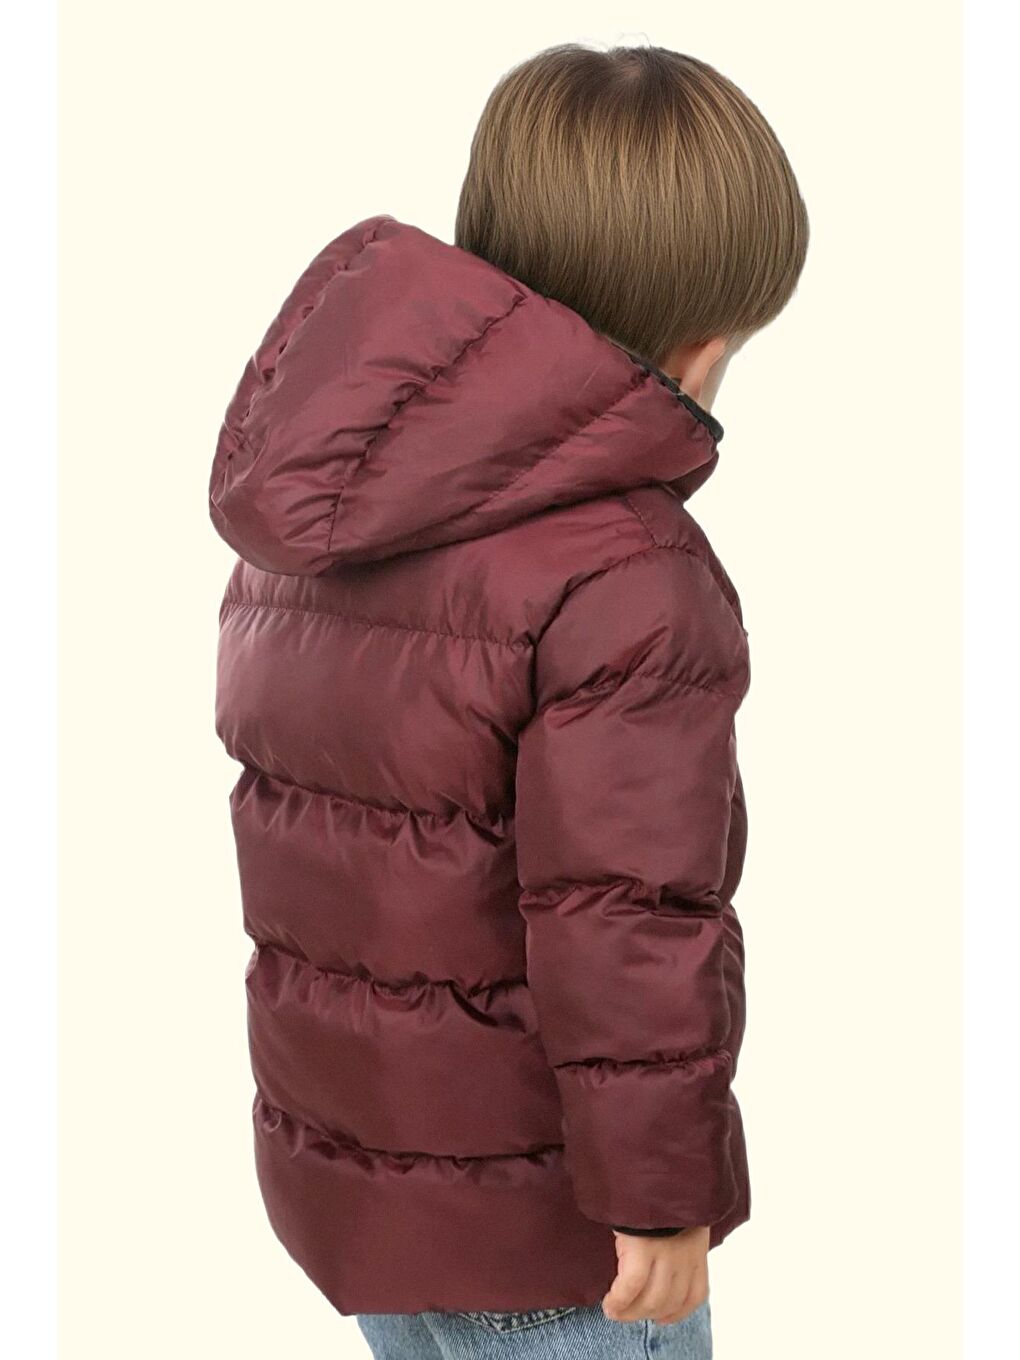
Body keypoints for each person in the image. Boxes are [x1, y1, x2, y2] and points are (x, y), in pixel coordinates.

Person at [209, 40, 807, 1360]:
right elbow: (627, 920)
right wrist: (662, 1197)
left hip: (368, 1194)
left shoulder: (318, 517)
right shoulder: (630, 573)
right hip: (550, 1233)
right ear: (704, 349)